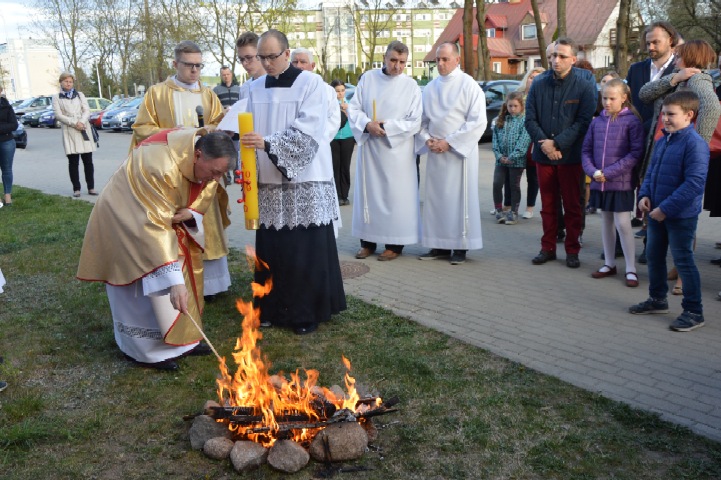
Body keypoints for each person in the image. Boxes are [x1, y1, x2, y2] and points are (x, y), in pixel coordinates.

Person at [77, 129, 237, 369]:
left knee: (181, 276)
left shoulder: (205, 162)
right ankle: (145, 351)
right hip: (127, 219)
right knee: (141, 284)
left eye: (221, 173)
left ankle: (183, 342)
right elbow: (154, 227)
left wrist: (192, 211)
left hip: (163, 221)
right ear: (197, 155)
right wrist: (174, 281)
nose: (216, 178)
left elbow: (207, 188)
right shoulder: (159, 165)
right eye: (215, 172)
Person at [239, 29, 346, 335]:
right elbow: (244, 129)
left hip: (305, 178)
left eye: (271, 56)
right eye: (261, 57)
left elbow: (310, 128)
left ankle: (304, 313)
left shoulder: (311, 84)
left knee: (303, 250)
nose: (266, 63)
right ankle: (270, 308)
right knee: (272, 249)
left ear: (286, 54)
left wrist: (268, 143)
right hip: (268, 179)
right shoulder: (253, 88)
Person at [132, 40, 231, 302]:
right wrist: (178, 135)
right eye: (189, 65)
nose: (195, 70)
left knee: (205, 221)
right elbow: (142, 129)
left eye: (199, 65)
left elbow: (218, 126)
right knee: (174, 224)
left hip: (204, 171)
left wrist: (208, 131)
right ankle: (175, 280)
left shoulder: (208, 95)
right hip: (171, 172)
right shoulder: (157, 94)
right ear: (175, 63)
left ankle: (211, 286)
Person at [639, 39, 721, 294]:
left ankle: (683, 276)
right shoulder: (680, 79)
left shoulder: (698, 81)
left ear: (689, 56)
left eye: (679, 56)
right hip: (667, 152)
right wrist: (674, 78)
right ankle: (677, 269)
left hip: (681, 157)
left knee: (684, 216)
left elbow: (712, 107)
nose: (675, 59)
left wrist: (697, 145)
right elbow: (644, 94)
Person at [629, 91, 709, 332]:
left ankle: (694, 312)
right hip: (656, 212)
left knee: (683, 261)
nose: (665, 119)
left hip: (680, 216)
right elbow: (651, 172)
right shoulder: (663, 140)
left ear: (689, 115)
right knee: (654, 256)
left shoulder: (695, 144)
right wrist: (644, 195)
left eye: (671, 114)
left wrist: (665, 208)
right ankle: (657, 300)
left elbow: (694, 183)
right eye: (663, 114)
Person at [525, 37, 597, 268]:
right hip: (543, 156)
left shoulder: (584, 84)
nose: (556, 60)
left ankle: (572, 250)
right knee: (548, 206)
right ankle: (547, 248)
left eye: (562, 56)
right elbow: (530, 119)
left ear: (573, 59)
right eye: (554, 55)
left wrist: (557, 144)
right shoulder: (539, 83)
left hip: (570, 157)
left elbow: (584, 121)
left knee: (573, 205)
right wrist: (545, 145)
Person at [348, 40, 422, 261]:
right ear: (384, 58)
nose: (397, 66)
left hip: (398, 152)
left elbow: (415, 121)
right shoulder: (368, 79)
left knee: (396, 198)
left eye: (402, 62)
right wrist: (367, 124)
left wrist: (387, 127)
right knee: (369, 195)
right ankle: (367, 242)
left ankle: (394, 245)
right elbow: (354, 108)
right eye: (393, 60)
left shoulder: (411, 86)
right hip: (371, 148)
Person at [416, 42, 486, 265]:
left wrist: (450, 142)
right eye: (438, 59)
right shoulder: (430, 88)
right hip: (436, 152)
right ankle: (439, 244)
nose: (440, 63)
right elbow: (422, 120)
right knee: (436, 200)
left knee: (459, 200)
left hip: (458, 153)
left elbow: (477, 121)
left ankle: (460, 246)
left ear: (457, 60)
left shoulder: (469, 85)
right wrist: (427, 139)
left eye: (445, 59)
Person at [582, 79, 644, 287]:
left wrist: (608, 173)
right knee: (606, 221)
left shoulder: (632, 122)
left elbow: (635, 153)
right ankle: (609, 263)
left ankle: (631, 268)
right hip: (600, 181)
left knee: (623, 224)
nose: (607, 102)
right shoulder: (596, 122)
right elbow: (586, 150)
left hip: (620, 182)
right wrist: (593, 171)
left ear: (624, 98)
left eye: (612, 98)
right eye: (604, 98)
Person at [51, 72, 97, 198]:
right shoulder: (56, 97)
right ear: (61, 82)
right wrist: (74, 123)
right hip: (70, 130)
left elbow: (86, 110)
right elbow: (58, 115)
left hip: (83, 129)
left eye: (70, 82)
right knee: (73, 162)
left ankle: (91, 187)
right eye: (66, 81)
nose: (68, 84)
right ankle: (76, 188)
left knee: (88, 161)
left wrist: (81, 121)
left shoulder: (80, 95)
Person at [492, 92, 530, 226]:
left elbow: (524, 141)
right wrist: (499, 156)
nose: (512, 109)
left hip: (516, 161)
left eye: (515, 106)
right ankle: (498, 210)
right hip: (501, 160)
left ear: (521, 106)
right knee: (497, 183)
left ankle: (514, 212)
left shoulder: (525, 121)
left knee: (514, 186)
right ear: (506, 106)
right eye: (510, 106)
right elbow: (495, 140)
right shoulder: (501, 120)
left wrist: (512, 156)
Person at [515, 67, 545, 219]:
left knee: (532, 177)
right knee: (512, 176)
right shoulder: (517, 97)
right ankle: (508, 206)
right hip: (515, 141)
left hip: (533, 141)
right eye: (531, 77)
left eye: (538, 78)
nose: (533, 80)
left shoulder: (544, 98)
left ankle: (530, 207)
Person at [330, 80, 355, 206]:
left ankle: (345, 195)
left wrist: (348, 110)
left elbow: (357, 119)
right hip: (333, 138)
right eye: (337, 91)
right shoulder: (329, 104)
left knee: (345, 166)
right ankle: (337, 195)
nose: (340, 93)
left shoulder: (350, 104)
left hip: (348, 138)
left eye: (342, 90)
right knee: (335, 166)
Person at [0, 86, 17, 207]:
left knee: (6, 169)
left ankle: (7, 196)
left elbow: (14, 124)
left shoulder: (6, 106)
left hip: (6, 141)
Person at [236, 32, 266, 100]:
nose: (244, 63)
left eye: (249, 57)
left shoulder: (279, 85)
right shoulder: (244, 89)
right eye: (241, 59)